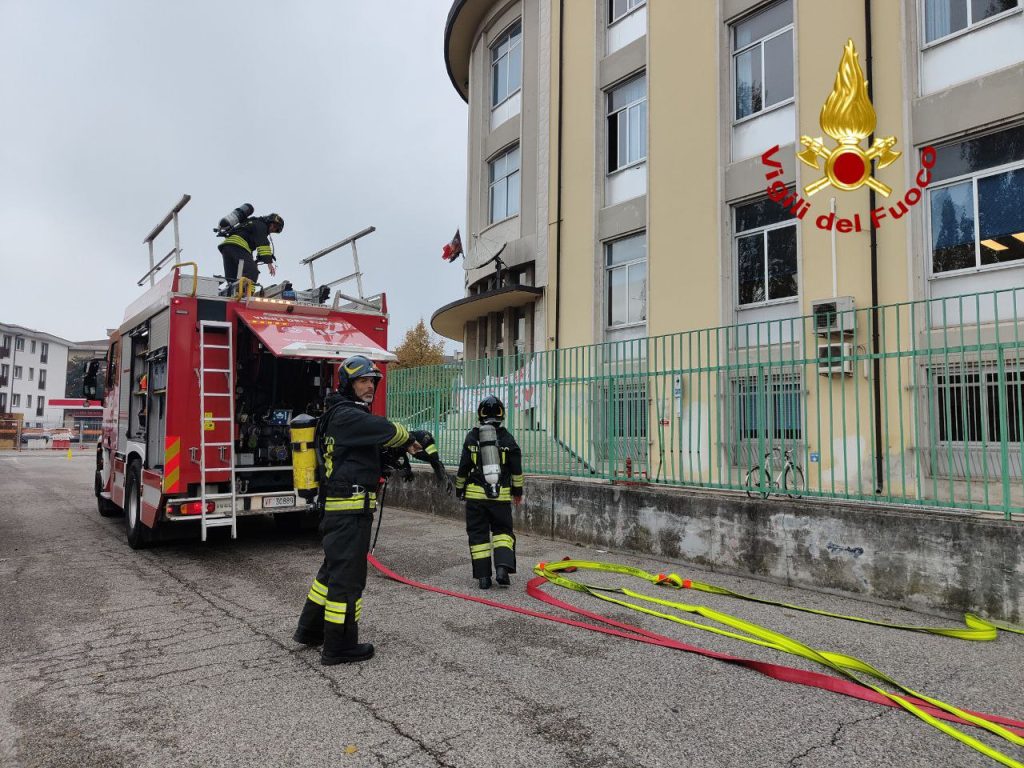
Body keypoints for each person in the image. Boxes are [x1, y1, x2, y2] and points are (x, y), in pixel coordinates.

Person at [292, 355, 422, 665]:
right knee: (347, 581)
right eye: (362, 381)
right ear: (347, 384)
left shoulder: (341, 414)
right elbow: (384, 428)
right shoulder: (347, 415)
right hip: (349, 511)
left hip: (343, 511)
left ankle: (310, 630)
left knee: (331, 573)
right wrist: (410, 439)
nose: (370, 386)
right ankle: (339, 646)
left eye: (372, 381)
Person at [454, 396, 524, 589]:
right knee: (503, 532)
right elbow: (517, 470)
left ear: (480, 415)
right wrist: (517, 491)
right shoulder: (508, 439)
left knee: (478, 536)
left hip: (475, 497)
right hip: (500, 496)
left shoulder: (472, 437)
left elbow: (463, 467)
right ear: (502, 414)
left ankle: (483, 578)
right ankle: (502, 568)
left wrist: (459, 489)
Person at [218, 212, 284, 285]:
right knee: (252, 272)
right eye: (274, 226)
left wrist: (254, 262)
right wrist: (269, 263)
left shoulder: (251, 222)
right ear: (269, 222)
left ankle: (233, 289)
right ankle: (246, 291)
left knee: (234, 278)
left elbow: (249, 249)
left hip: (227, 247)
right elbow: (263, 244)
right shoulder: (261, 225)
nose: (273, 229)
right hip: (238, 246)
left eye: (276, 230)